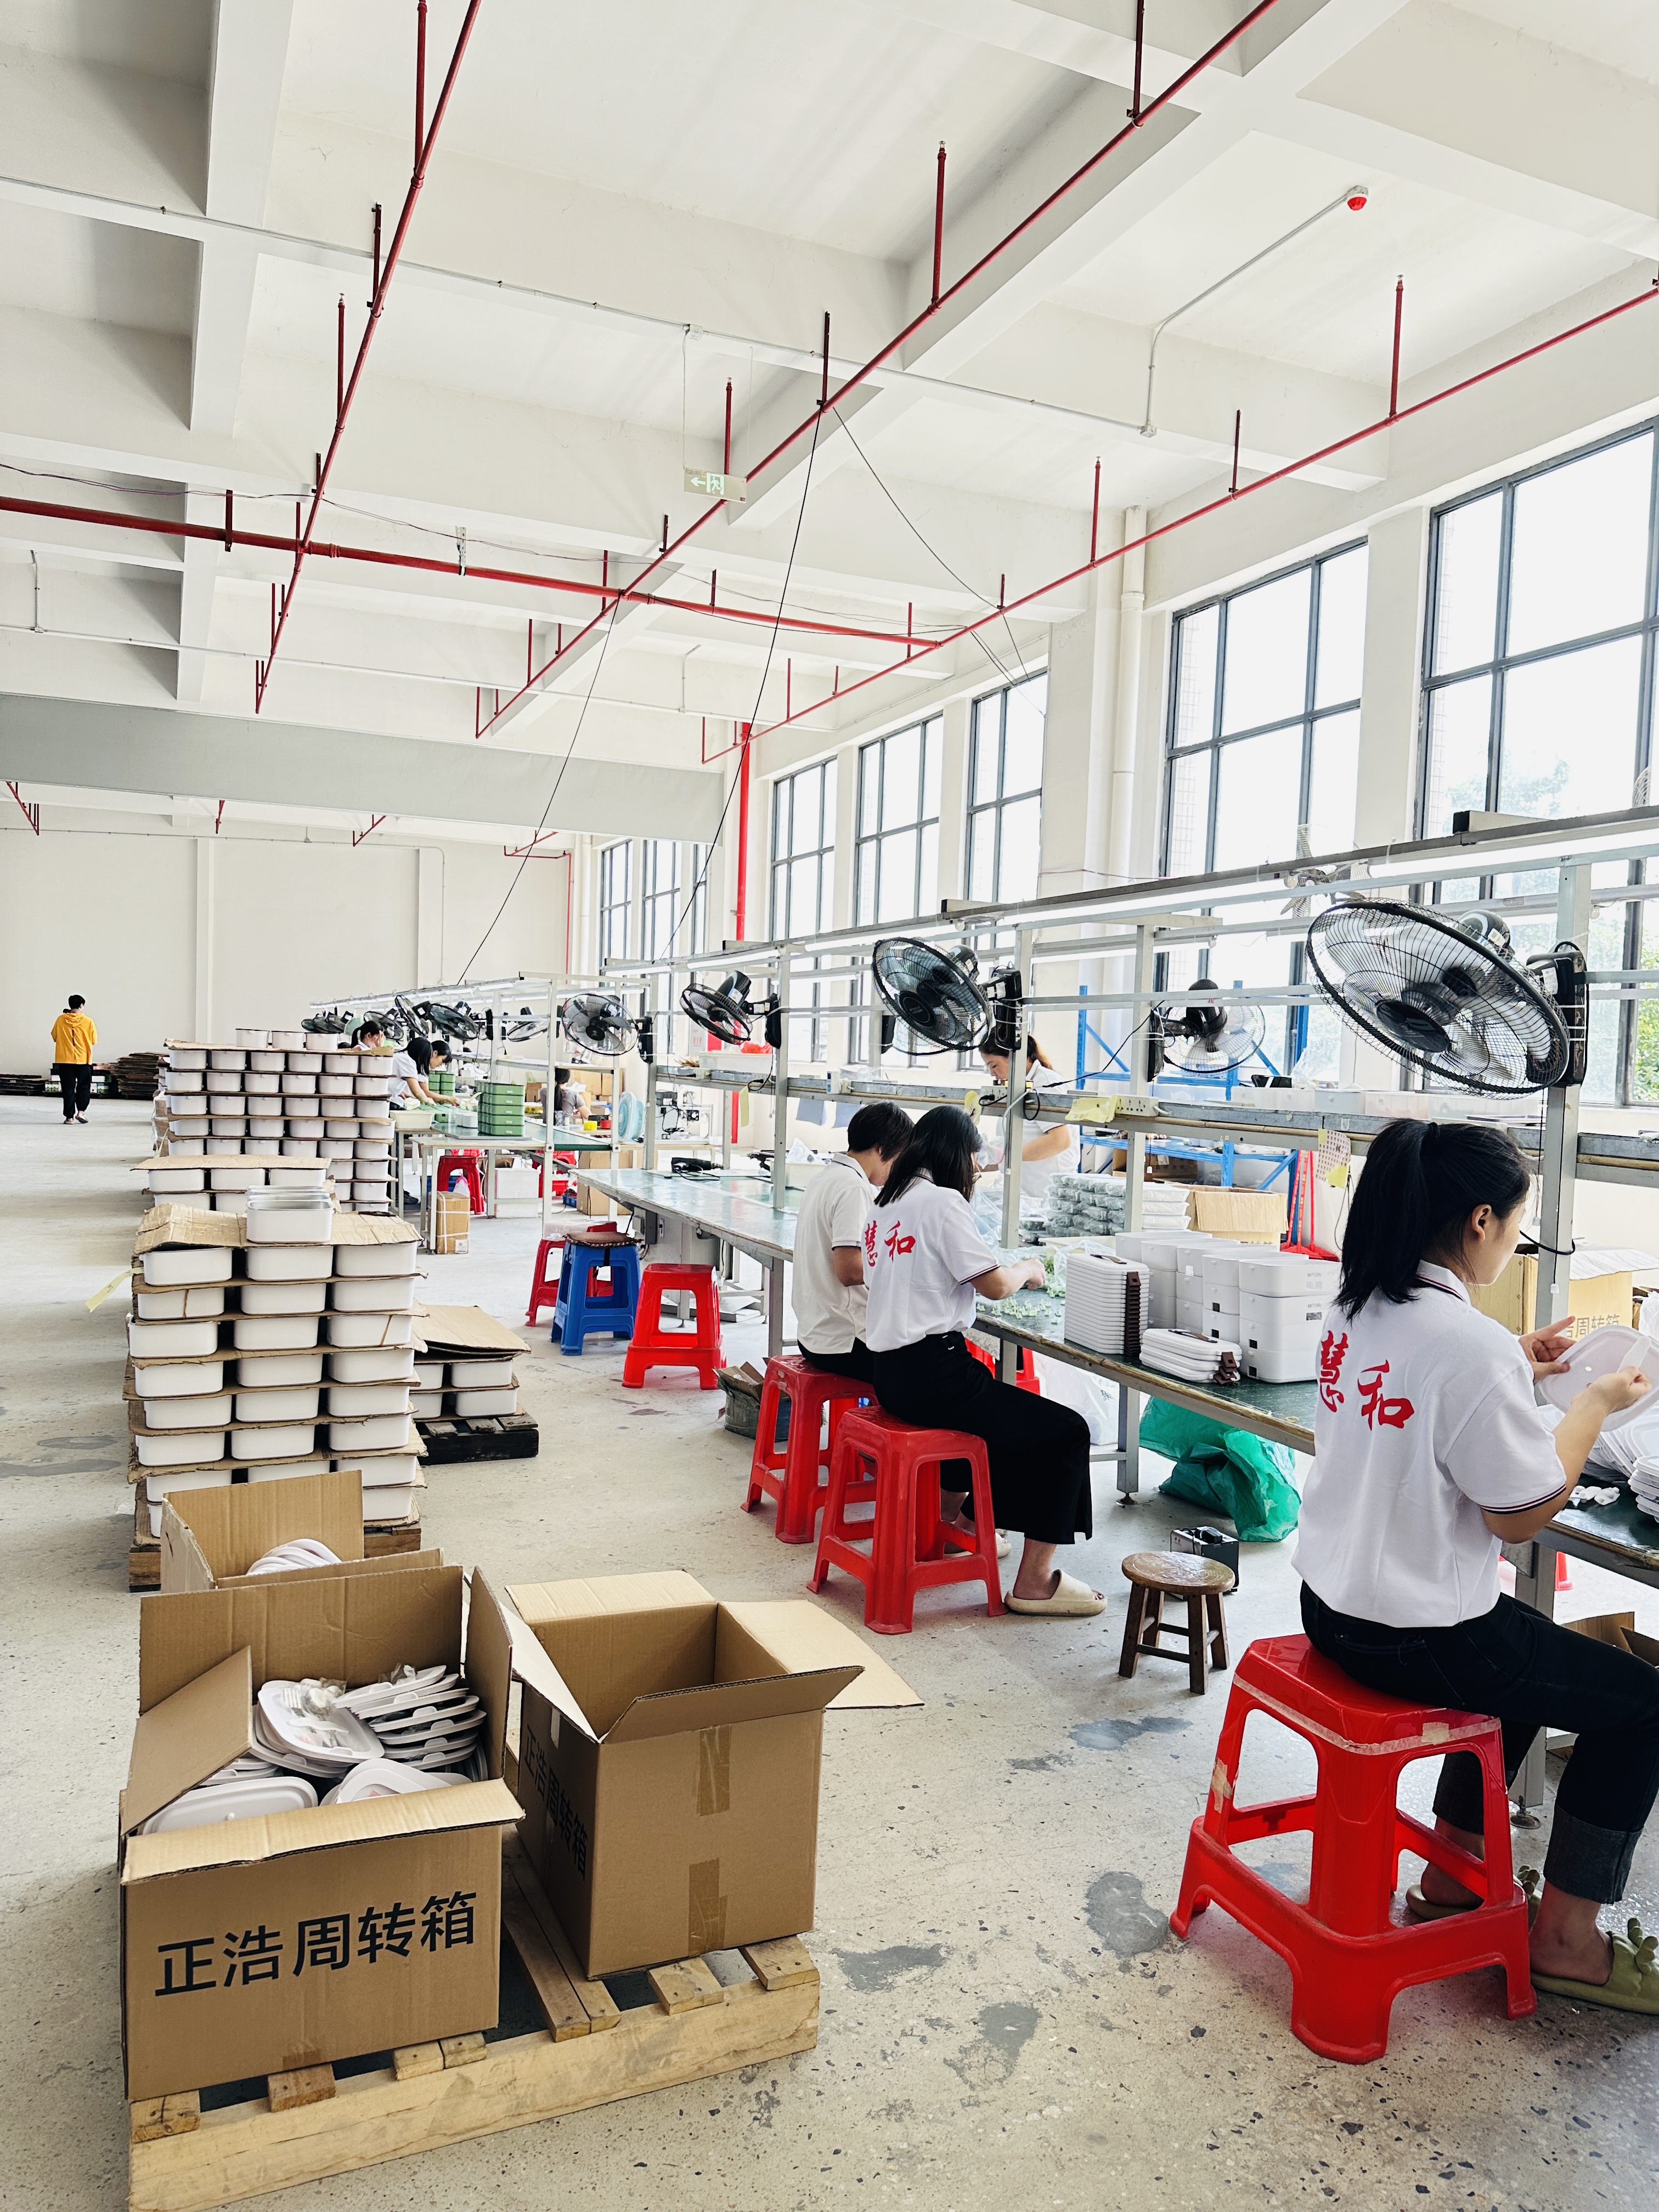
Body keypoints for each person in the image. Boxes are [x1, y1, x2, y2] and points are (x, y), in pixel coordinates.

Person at [1295, 1118, 1659, 2013]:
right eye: (1517, 1226)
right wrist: (1590, 1407)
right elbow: (1518, 1511)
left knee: (1527, 1654)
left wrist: (1516, 1368)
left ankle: (1450, 1875)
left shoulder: (1355, 1306)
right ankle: (1566, 1940)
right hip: (1413, 1635)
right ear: (1478, 1220)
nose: (1513, 1243)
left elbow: (1426, 1401)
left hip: (1330, 1607)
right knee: (1643, 1708)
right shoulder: (1467, 1343)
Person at [864, 1105, 1103, 1616]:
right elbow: (994, 1286)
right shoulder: (942, 1201)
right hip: (934, 1376)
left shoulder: (886, 1202)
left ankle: (962, 1528)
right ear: (955, 1152)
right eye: (975, 1157)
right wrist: (1029, 1268)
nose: (977, 1167)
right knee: (1066, 1433)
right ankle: (1035, 1582)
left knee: (999, 1421)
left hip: (889, 1373)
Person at [791, 1102, 913, 1383]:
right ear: (882, 1149)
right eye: (900, 1159)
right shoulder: (853, 1187)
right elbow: (849, 1272)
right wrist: (904, 1270)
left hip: (815, 1335)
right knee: (931, 1372)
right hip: (844, 1343)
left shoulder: (826, 1176)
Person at [978, 1032, 1079, 1211]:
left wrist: (1004, 1158)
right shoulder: (1018, 1086)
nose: (993, 1073)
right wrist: (983, 1162)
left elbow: (1060, 1140)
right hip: (1027, 1193)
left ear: (1014, 1057)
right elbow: (1020, 1139)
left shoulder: (1046, 1083)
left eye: (994, 1066)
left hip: (1048, 1193)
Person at [50, 995, 97, 1124]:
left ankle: (69, 1118)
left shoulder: (60, 1020)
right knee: (84, 1087)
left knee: (68, 1088)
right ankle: (81, 1112)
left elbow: (55, 1036)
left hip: (65, 1060)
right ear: (81, 1006)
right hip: (83, 1060)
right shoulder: (88, 1021)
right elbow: (94, 1040)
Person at [390, 1034, 446, 1107]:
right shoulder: (407, 1061)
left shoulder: (401, 1056)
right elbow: (417, 1092)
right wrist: (428, 1101)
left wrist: (399, 1092)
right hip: (383, 1100)